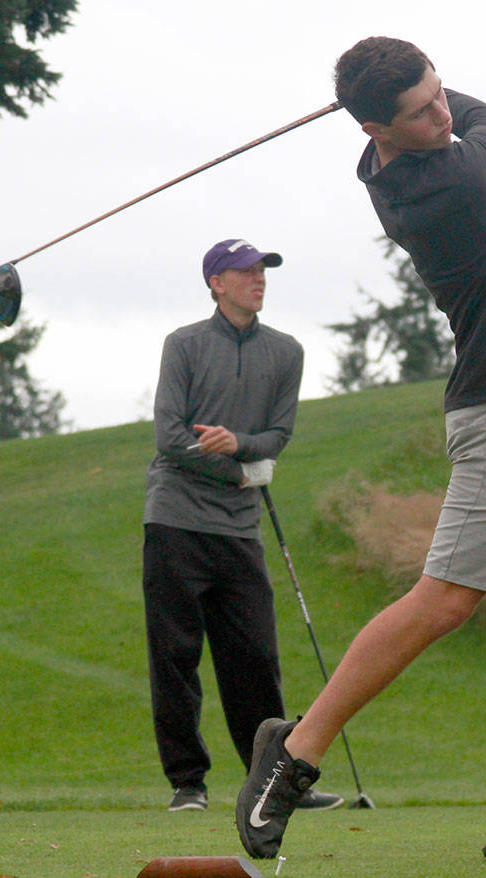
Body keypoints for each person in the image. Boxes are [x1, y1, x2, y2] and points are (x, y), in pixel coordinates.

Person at [237, 38, 486, 863]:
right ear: (379, 128)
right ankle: (296, 752)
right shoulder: (446, 184)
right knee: (446, 599)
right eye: (421, 110)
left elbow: (453, 112)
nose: (444, 114)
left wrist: (414, 90)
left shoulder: (414, 147)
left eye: (442, 95)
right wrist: (451, 98)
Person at [143, 238, 344, 813]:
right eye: (244, 271)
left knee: (255, 658)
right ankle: (188, 783)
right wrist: (237, 469)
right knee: (176, 655)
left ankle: (275, 778)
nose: (257, 279)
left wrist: (241, 447)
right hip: (175, 520)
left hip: (238, 529)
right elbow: (169, 436)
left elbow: (278, 436)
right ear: (216, 283)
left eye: (261, 270)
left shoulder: (286, 352)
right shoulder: (183, 345)